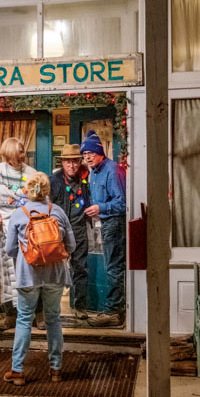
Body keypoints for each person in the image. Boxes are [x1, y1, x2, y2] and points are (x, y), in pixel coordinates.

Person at [3, 172, 76, 386]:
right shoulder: (58, 212)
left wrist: (28, 254)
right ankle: (56, 369)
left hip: (28, 275)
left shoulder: (19, 214)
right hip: (55, 274)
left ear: (28, 190)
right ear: (47, 190)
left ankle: (18, 371)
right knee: (53, 319)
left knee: (24, 319)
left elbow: (9, 249)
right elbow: (71, 245)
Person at [0, 137, 37, 331]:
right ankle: (11, 314)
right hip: (3, 226)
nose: (22, 156)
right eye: (18, 153)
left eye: (22, 152)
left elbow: (40, 196)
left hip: (26, 228)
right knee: (7, 271)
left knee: (30, 270)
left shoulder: (31, 173)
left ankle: (35, 314)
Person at [81, 130, 127, 327]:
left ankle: (113, 312)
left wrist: (101, 208)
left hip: (115, 224)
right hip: (105, 223)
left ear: (100, 152)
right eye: (85, 154)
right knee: (111, 267)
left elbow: (122, 203)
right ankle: (113, 308)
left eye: (91, 153)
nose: (87, 157)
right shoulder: (94, 172)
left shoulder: (112, 170)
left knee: (114, 268)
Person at [49, 143, 91, 319]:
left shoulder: (86, 178)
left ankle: (80, 307)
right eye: (68, 162)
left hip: (79, 228)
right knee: (54, 269)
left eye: (75, 161)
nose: (72, 166)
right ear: (62, 163)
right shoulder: (54, 180)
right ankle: (51, 309)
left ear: (79, 162)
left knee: (80, 268)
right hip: (58, 230)